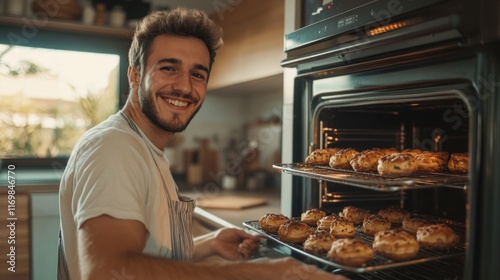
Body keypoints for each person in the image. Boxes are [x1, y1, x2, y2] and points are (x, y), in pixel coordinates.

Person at [58, 7, 348, 280]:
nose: (184, 87)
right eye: (169, 68)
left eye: (197, 74)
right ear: (135, 75)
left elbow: (145, 252)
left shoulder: (144, 147)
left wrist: (207, 244)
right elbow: (106, 271)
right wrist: (261, 274)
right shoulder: (115, 148)